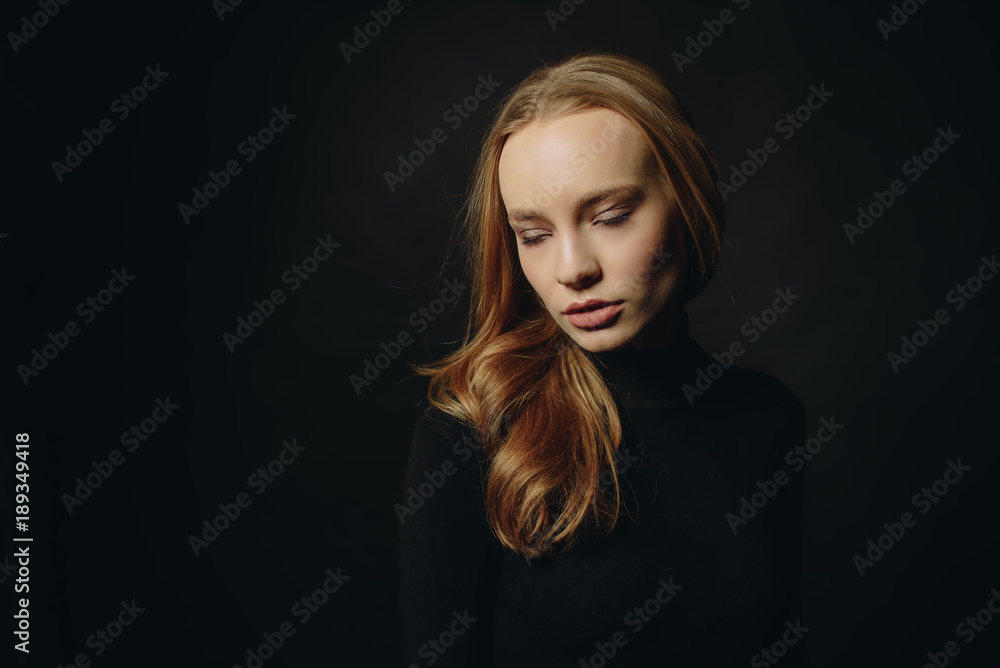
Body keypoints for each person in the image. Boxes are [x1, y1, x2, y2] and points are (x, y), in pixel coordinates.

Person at [398, 51, 806, 667]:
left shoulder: (769, 418)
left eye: (611, 217)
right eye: (533, 235)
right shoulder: (471, 436)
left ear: (688, 198)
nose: (571, 269)